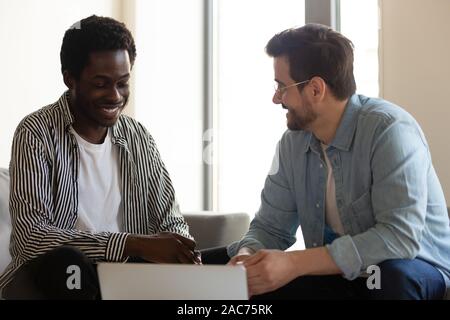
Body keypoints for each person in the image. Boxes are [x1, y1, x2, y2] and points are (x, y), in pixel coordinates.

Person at [220, 23, 450, 300]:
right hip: (339, 275)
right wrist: (247, 260)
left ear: (316, 89)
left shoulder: (390, 130)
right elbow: (270, 227)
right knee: (246, 277)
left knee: (390, 278)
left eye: (282, 87)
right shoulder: (292, 144)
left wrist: (293, 263)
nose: (275, 98)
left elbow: (399, 237)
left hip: (415, 267)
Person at [0, 15, 200, 300]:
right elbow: (32, 239)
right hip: (51, 276)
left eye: (123, 83)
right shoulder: (36, 132)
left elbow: (169, 220)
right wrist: (131, 244)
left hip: (122, 276)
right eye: (101, 83)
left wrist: (183, 250)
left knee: (230, 263)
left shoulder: (138, 137)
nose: (115, 96)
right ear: (70, 79)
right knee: (68, 264)